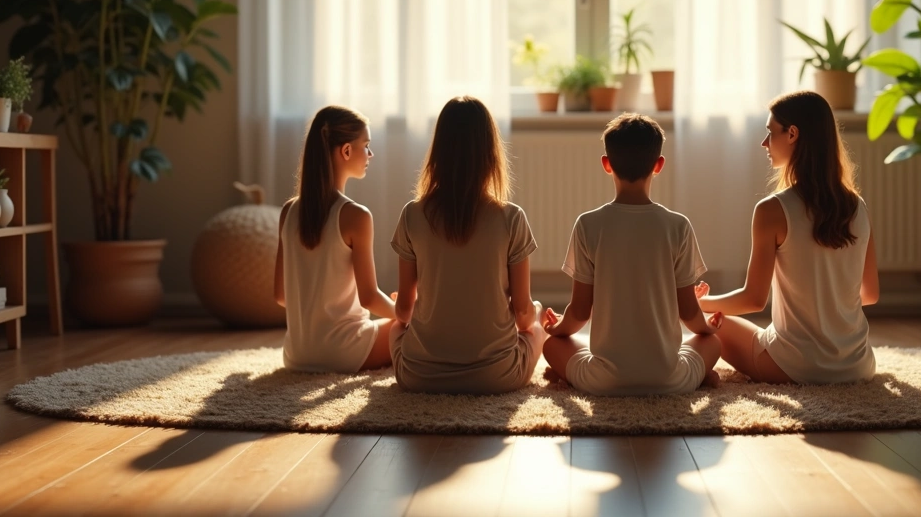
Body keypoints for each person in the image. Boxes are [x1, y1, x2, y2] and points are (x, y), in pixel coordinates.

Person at [698, 91, 878, 385]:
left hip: (795, 367)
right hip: (857, 365)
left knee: (708, 323)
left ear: (792, 133)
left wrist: (698, 305)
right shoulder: (859, 207)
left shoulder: (772, 209)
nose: (764, 143)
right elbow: (870, 294)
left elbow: (754, 300)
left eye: (770, 132)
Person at [541, 113, 723, 396]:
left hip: (605, 383)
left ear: (606, 164)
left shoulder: (588, 224)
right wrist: (708, 327)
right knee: (713, 343)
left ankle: (570, 376)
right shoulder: (678, 226)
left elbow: (579, 312)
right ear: (659, 165)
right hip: (670, 381)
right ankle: (699, 377)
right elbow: (688, 312)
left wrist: (558, 330)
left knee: (551, 346)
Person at [389, 96, 549, 394]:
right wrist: (536, 312)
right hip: (497, 377)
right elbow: (523, 317)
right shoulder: (511, 217)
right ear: (490, 154)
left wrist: (409, 302)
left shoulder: (412, 214)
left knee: (395, 329)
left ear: (438, 152)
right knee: (536, 330)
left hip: (419, 375)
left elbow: (403, 314)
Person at [275, 105, 397, 373]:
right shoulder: (356, 216)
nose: (370, 154)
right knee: (412, 326)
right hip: (345, 353)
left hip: (295, 355)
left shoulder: (288, 212)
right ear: (345, 151)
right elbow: (370, 299)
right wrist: (406, 312)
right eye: (366, 145)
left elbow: (281, 295)